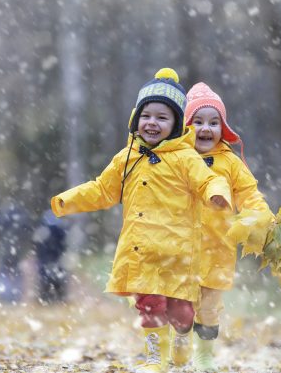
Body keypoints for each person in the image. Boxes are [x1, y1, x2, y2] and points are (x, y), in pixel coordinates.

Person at [51, 69, 232, 373]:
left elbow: (207, 180)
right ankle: (154, 359)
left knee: (182, 314)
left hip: (177, 254)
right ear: (136, 119)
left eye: (163, 118)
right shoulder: (127, 158)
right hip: (142, 254)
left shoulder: (185, 158)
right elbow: (102, 189)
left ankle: (182, 337)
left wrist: (216, 192)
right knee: (150, 309)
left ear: (175, 126)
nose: (153, 123)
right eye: (147, 116)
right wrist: (68, 201)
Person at [183, 82, 274, 371]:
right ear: (185, 125)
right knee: (180, 304)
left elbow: (248, 193)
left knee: (208, 309)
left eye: (214, 122)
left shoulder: (230, 163)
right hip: (179, 247)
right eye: (197, 122)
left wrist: (261, 217)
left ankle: (204, 354)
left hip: (217, 247)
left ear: (223, 128)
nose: (205, 129)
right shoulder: (177, 159)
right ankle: (178, 336)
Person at [33, 209, 68, 304]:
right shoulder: (60, 230)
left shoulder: (43, 229)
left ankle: (46, 298)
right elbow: (63, 246)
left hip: (48, 260)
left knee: (46, 280)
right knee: (57, 280)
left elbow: (38, 246)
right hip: (54, 259)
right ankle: (57, 298)